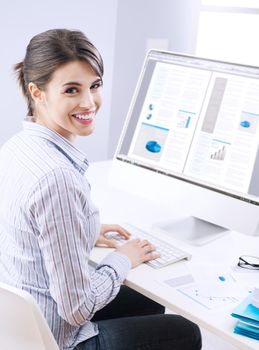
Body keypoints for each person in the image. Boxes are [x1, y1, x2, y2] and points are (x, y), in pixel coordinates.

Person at [0, 28, 202, 350]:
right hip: (58, 338)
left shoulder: (16, 148)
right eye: (71, 90)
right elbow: (77, 309)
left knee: (142, 301)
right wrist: (123, 258)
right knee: (184, 330)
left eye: (94, 86)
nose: (88, 102)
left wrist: (82, 229)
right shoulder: (57, 178)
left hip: (18, 329)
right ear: (37, 93)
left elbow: (27, 230)